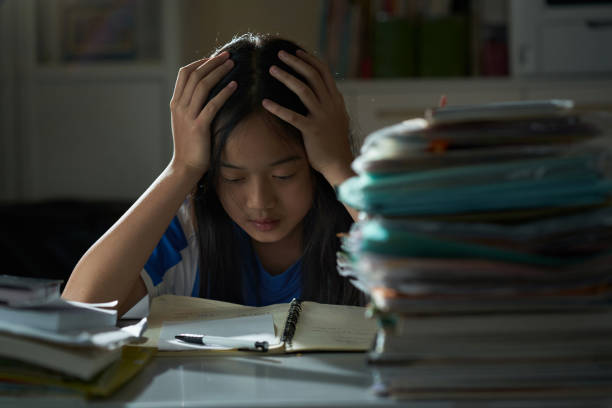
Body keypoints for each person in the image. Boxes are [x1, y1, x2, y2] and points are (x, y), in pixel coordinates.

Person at [62, 33, 364, 316]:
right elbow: (79, 310)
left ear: (315, 165)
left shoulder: (359, 226)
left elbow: (413, 279)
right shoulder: (188, 228)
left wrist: (338, 166)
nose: (259, 202)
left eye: (283, 175)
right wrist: (181, 169)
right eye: (234, 178)